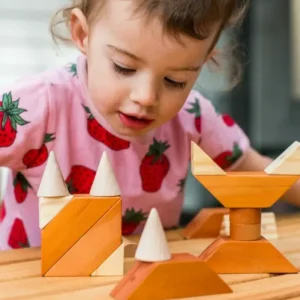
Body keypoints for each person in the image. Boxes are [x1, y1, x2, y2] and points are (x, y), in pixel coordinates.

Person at [0, 0, 298, 250]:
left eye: (175, 81)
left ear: (205, 61)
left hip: (144, 281)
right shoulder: (39, 105)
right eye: (124, 67)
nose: (146, 97)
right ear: (82, 34)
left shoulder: (193, 115)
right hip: (39, 284)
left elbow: (254, 169)